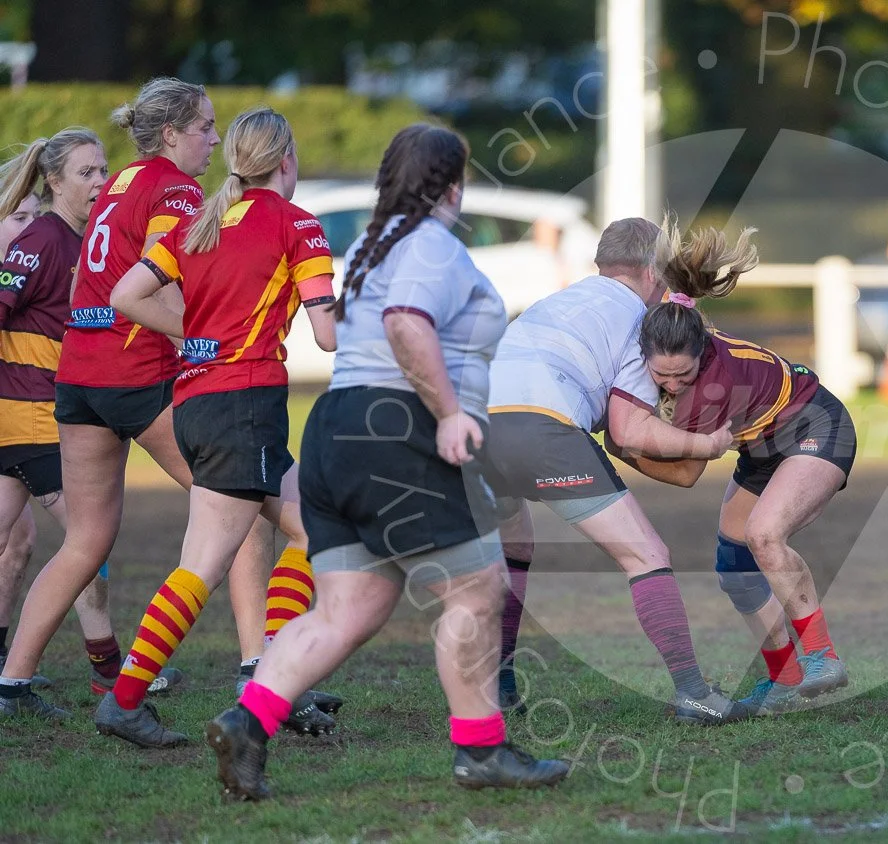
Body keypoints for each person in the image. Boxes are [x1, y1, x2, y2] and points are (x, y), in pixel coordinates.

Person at [207, 124, 568, 800]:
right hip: (396, 428)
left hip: (336, 429)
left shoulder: (381, 243)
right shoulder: (430, 242)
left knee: (349, 607)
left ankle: (247, 723)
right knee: (476, 587)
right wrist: (453, 411)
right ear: (452, 182)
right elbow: (407, 324)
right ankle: (480, 752)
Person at [0, 79, 283, 723]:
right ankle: (255, 670)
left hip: (79, 374)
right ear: (172, 133)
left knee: (86, 540)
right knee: (239, 511)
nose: (215, 139)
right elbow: (156, 281)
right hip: (135, 374)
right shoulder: (174, 188)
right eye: (206, 127)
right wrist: (208, 339)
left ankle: (11, 683)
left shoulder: (125, 178)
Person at [100, 106, 344, 747]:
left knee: (316, 526)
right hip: (244, 406)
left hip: (199, 404)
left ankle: (273, 678)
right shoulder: (297, 225)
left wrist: (201, 338)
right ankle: (126, 701)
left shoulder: (196, 223)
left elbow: (124, 294)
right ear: (285, 159)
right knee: (204, 566)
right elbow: (326, 331)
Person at [482, 216, 748, 726]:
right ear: (652, 270)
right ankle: (693, 692)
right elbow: (627, 432)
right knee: (647, 554)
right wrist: (705, 444)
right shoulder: (638, 322)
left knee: (513, 548)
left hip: (475, 428)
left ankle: (498, 684)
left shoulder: (556, 301)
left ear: (602, 265)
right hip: (544, 431)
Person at [616, 223, 857, 717]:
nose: (672, 385)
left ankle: (822, 657)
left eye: (683, 375)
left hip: (815, 425)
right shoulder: (673, 335)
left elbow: (685, 475)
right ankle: (786, 678)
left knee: (764, 535)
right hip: (762, 447)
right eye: (661, 375)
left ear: (702, 354)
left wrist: (619, 446)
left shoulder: (712, 385)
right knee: (734, 568)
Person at [0, 133, 123, 697]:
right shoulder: (43, 238)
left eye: (103, 170)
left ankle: (13, 672)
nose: (100, 181)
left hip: (41, 415)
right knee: (87, 541)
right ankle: (107, 675)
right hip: (30, 420)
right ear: (54, 181)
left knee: (18, 545)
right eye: (86, 172)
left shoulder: (86, 238)